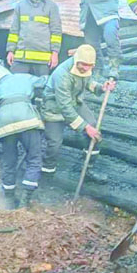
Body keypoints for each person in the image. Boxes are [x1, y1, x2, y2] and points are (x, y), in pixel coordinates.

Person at [40, 44, 115, 175]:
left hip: (74, 102)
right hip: (55, 109)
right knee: (54, 144)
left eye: (89, 65)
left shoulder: (85, 68)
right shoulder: (62, 75)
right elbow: (65, 107)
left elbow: (88, 82)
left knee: (94, 130)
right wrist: (85, 127)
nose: (86, 68)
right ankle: (47, 171)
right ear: (76, 60)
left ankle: (87, 168)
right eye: (83, 65)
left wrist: (101, 87)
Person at [0, 64, 47, 210]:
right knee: (34, 158)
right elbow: (44, 81)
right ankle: (25, 201)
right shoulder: (22, 76)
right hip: (26, 118)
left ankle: (8, 200)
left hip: (4, 124)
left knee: (9, 162)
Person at [6, 0, 62, 76]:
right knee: (16, 86)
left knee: (40, 89)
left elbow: (56, 32)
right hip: (21, 58)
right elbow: (14, 30)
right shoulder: (21, 6)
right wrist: (10, 51)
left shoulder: (51, 6)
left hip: (43, 60)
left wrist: (55, 53)